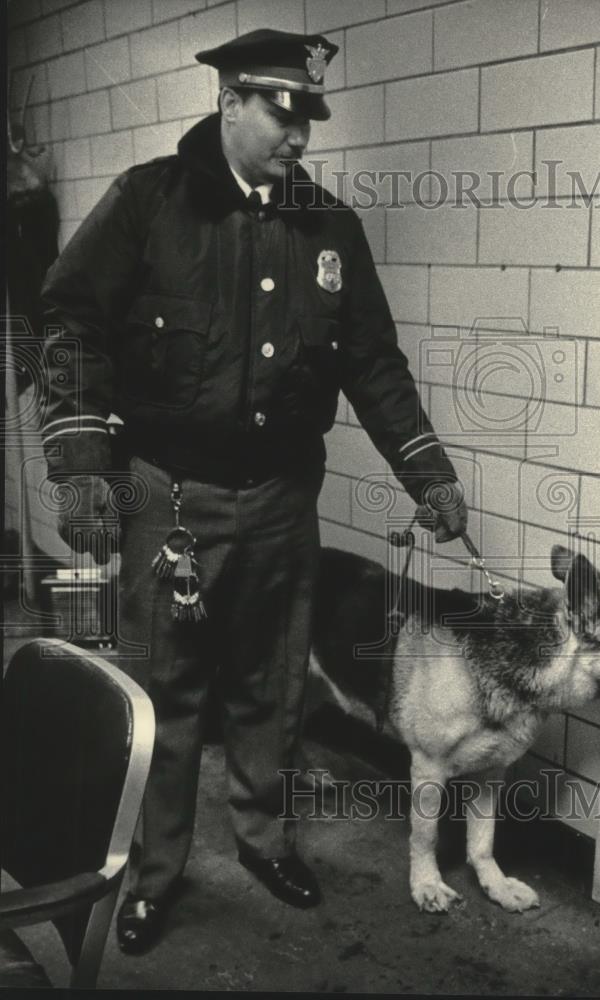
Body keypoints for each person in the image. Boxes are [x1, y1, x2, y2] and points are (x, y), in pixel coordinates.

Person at [40, 28, 468, 954]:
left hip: (280, 501)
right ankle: (152, 874)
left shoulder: (329, 228)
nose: (299, 136)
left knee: (269, 689)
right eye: (281, 112)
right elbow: (70, 321)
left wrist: (426, 469)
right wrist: (79, 470)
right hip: (167, 496)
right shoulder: (148, 202)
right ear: (229, 101)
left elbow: (376, 365)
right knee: (167, 694)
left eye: (308, 116)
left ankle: (266, 841)